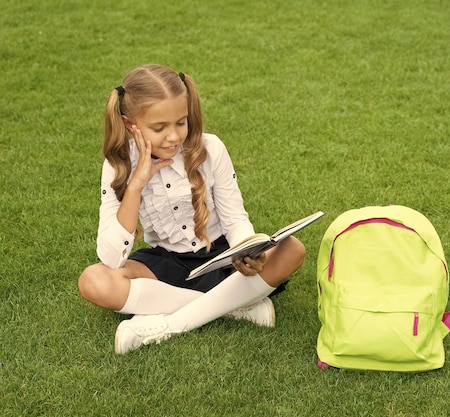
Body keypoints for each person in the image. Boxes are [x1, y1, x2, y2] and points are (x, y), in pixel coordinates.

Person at [78, 64, 306, 355]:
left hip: (222, 258)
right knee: (94, 281)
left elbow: (235, 218)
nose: (173, 137)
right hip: (166, 265)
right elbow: (111, 258)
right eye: (159, 128)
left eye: (181, 123)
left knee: (292, 249)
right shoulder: (118, 165)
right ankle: (234, 307)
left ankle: (166, 323)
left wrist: (246, 251)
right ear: (129, 124)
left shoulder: (211, 149)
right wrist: (135, 186)